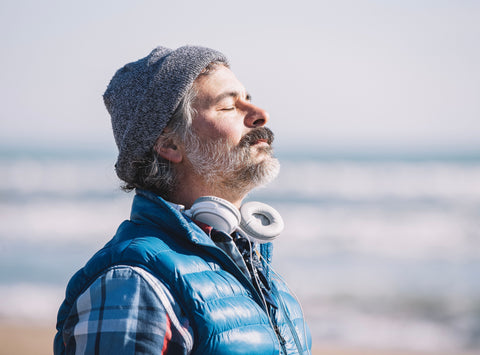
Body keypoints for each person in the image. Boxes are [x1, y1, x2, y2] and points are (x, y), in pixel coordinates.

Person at [53, 45, 312, 355]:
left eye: (249, 99)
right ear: (169, 144)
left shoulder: (261, 274)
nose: (260, 115)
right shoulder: (134, 285)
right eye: (228, 106)